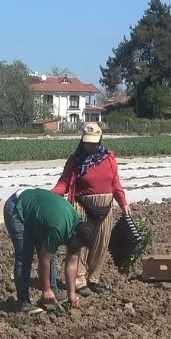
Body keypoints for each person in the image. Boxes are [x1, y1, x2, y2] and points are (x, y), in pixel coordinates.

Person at [51, 122, 130, 296]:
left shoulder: (109, 158)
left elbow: (115, 182)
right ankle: (79, 281)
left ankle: (93, 279)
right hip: (83, 207)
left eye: (94, 142)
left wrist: (123, 203)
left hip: (105, 209)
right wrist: (54, 194)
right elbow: (64, 182)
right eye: (87, 142)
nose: (90, 146)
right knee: (80, 245)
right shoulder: (75, 160)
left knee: (100, 246)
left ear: (100, 140)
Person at [3, 187, 94, 315]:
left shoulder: (79, 231)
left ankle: (54, 291)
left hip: (39, 213)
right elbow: (44, 259)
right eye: (77, 245)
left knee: (50, 253)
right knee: (25, 256)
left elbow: (72, 264)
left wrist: (72, 294)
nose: (76, 248)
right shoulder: (58, 228)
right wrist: (45, 289)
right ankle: (23, 303)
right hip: (17, 207)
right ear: (74, 234)